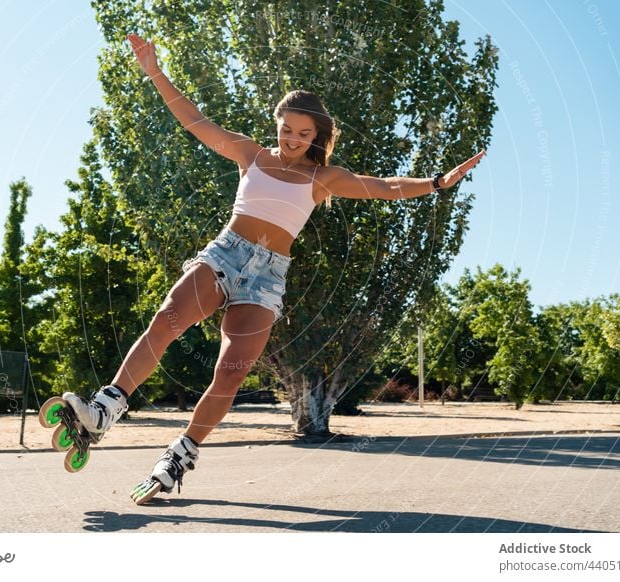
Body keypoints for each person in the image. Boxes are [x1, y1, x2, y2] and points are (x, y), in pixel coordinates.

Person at [62, 33, 486, 505]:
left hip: (267, 278)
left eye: (305, 134)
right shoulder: (251, 154)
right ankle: (105, 408)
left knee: (230, 373)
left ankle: (179, 456)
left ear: (316, 136)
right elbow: (195, 120)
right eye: (288, 130)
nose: (294, 140)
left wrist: (436, 183)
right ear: (277, 122)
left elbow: (384, 186)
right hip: (226, 254)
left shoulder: (322, 178)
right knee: (167, 320)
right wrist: (154, 71)